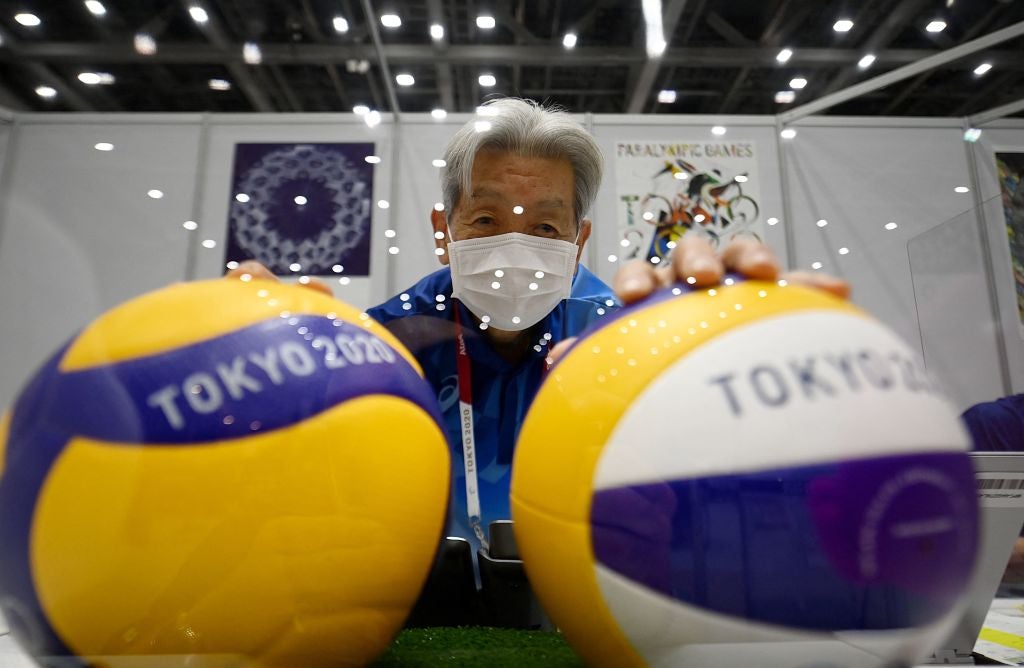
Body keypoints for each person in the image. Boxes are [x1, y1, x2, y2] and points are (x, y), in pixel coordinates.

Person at [228, 97, 848, 623]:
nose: (515, 245)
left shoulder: (631, 339)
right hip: (414, 621)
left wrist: (748, 359)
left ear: (580, 238)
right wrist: (253, 370)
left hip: (596, 621)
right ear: (445, 228)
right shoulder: (387, 344)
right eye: (486, 219)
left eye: (547, 228)